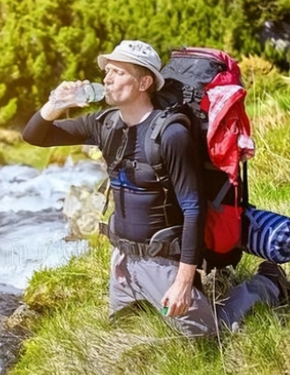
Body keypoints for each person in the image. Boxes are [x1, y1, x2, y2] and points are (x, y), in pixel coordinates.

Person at [22, 39, 290, 337]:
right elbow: (35, 136)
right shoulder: (104, 124)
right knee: (125, 332)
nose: (107, 78)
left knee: (209, 336)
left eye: (118, 72)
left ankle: (267, 282)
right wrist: (57, 103)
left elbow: (193, 206)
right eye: (106, 71)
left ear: (144, 82)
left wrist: (183, 282)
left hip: (162, 261)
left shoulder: (171, 133)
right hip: (123, 259)